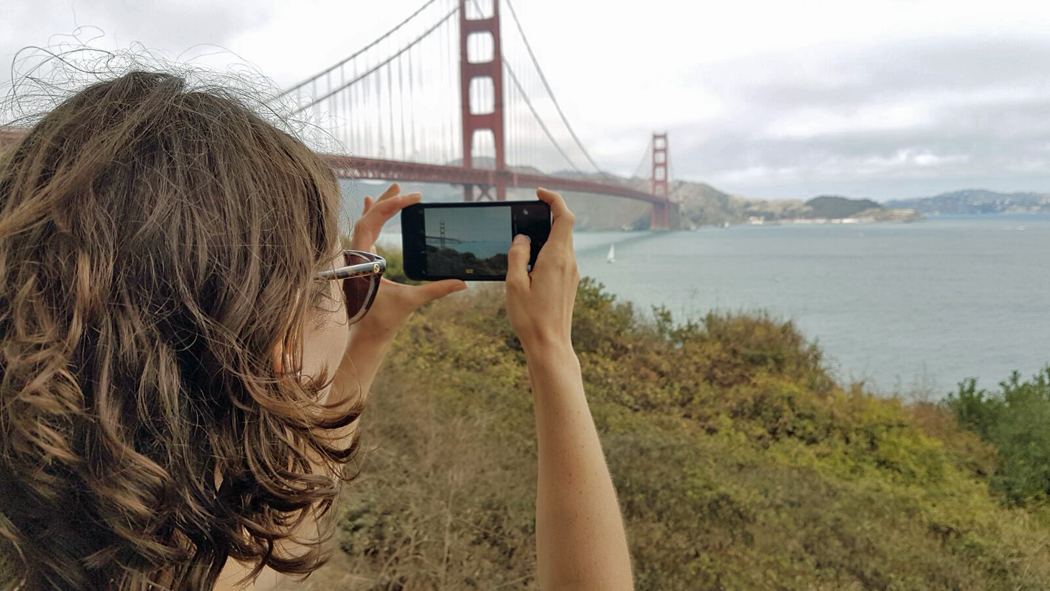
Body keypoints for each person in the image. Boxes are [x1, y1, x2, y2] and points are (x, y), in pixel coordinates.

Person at [0, 70, 633, 591]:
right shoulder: (202, 563)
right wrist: (553, 351)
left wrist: (373, 320)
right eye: (345, 276)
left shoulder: (79, 539)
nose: (355, 285)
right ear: (282, 349)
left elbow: (286, 518)